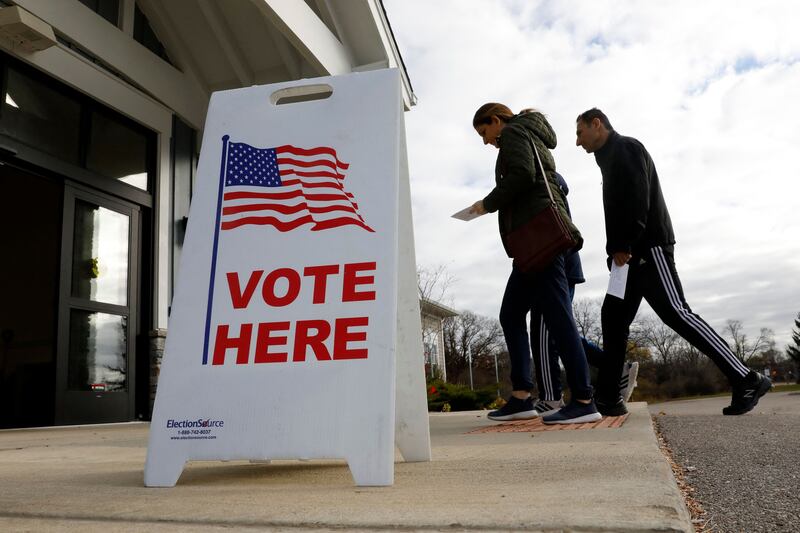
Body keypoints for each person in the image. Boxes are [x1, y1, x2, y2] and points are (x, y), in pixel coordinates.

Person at [574, 108, 771, 416]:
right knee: (612, 321)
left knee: (677, 314)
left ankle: (746, 378)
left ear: (596, 124)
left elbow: (640, 198)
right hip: (625, 258)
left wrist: (624, 244)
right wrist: (616, 250)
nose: (577, 141)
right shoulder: (609, 159)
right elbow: (619, 207)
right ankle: (609, 397)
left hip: (648, 248)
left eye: (579, 132)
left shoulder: (627, 147)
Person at [469, 103, 600, 424]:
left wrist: (487, 204)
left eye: (485, 132)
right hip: (531, 245)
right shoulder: (527, 135)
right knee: (511, 314)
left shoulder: (514, 133)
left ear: (496, 121)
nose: (486, 141)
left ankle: (584, 399)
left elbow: (524, 176)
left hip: (540, 240)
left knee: (558, 317)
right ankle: (522, 396)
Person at [529, 172, 640, 416]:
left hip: (558, 264)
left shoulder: (543, 183)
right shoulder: (542, 182)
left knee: (550, 330)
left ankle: (552, 397)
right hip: (554, 264)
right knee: (559, 331)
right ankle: (613, 367)